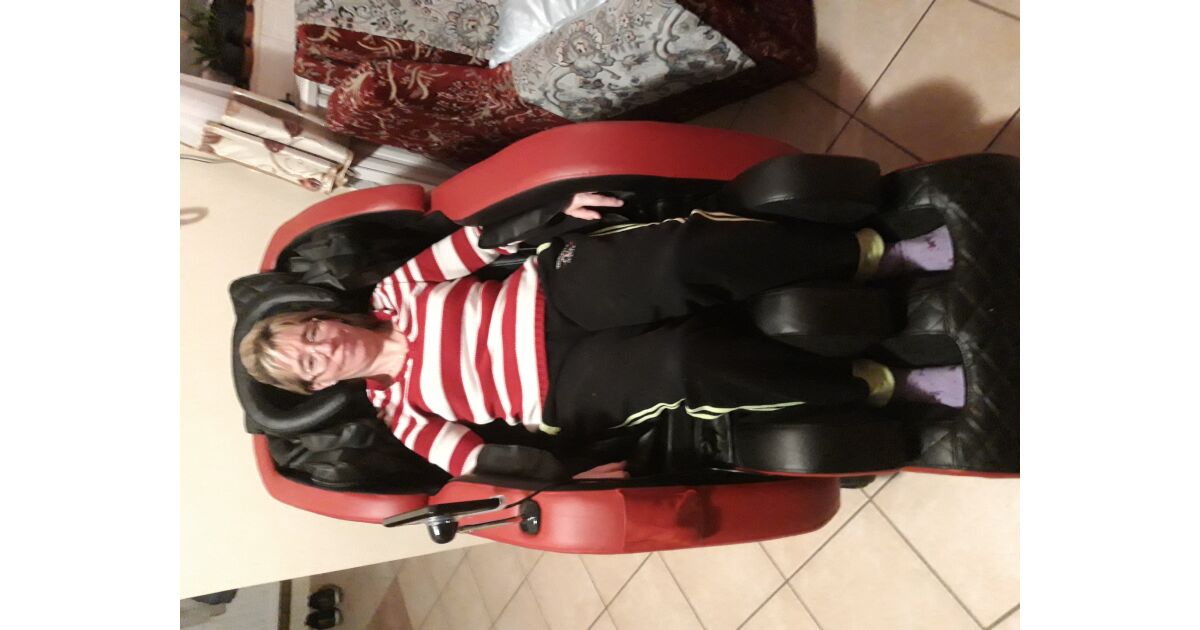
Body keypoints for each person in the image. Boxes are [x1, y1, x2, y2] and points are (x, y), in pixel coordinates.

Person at [240, 193, 964, 478]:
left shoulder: (394, 292)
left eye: (311, 330)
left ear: (324, 316)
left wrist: (553, 214)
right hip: (561, 387)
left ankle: (869, 253)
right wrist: (565, 475)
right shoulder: (402, 417)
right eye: (309, 362)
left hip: (552, 295)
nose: (322, 346)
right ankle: (880, 383)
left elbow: (474, 246)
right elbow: (478, 460)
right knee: (686, 365)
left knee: (679, 259)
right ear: (320, 385)